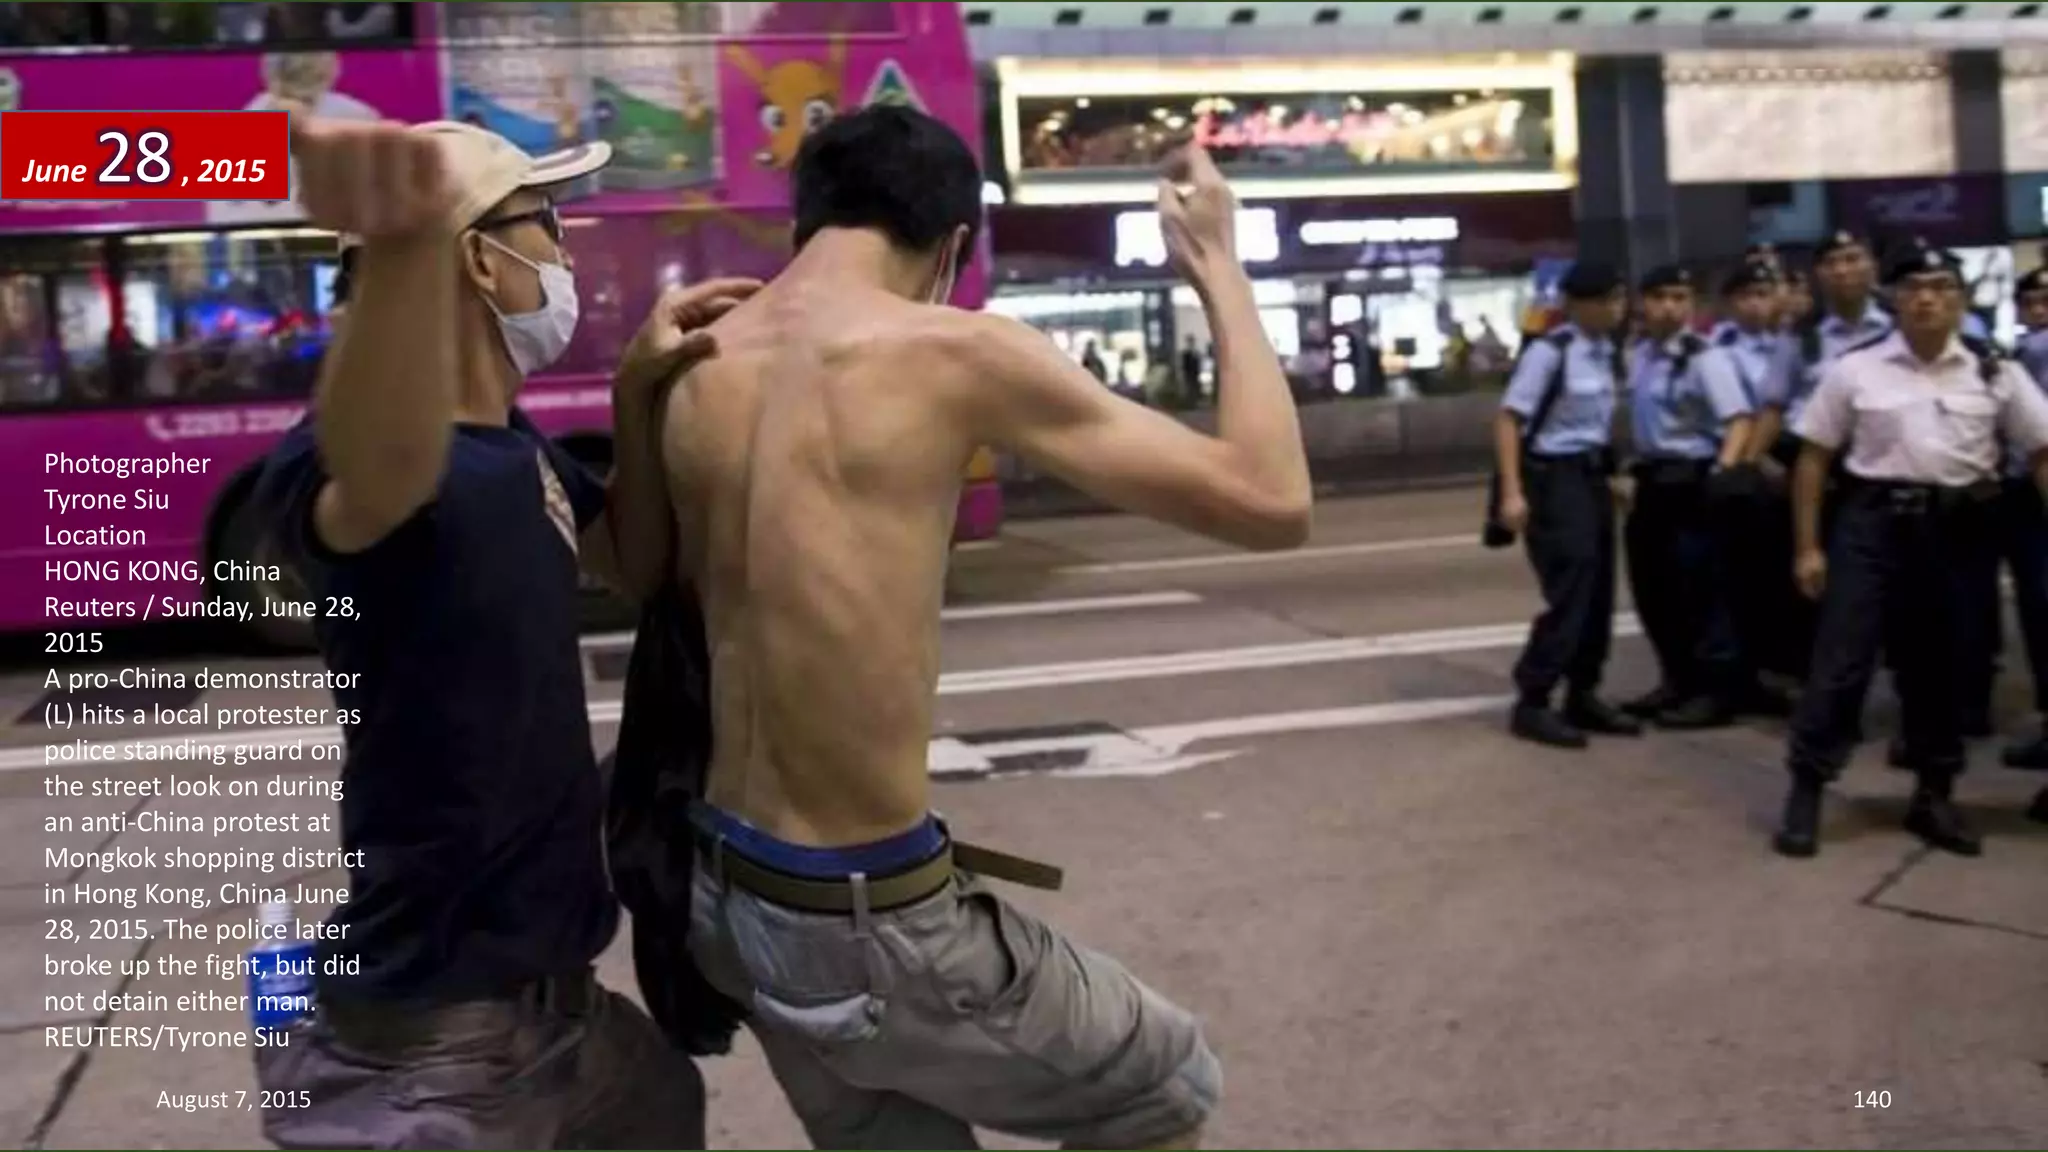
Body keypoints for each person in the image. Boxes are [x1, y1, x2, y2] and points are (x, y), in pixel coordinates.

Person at [666, 105, 1306, 1149]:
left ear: (804, 223)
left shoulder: (690, 357)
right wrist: (1217, 268)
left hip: (727, 898)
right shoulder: (952, 351)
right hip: (867, 922)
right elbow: (1269, 497)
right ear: (951, 247)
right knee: (1160, 1081)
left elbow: (642, 571)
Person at [248, 116, 753, 1149]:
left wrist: (636, 390)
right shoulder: (382, 471)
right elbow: (376, 477)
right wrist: (397, 247)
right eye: (547, 225)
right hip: (444, 1041)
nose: (564, 254)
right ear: (479, 257)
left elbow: (630, 561)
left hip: (550, 1010)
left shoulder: (502, 446)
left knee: (663, 1102)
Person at [1771, 243, 2048, 860]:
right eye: (1914, 287)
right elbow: (1813, 458)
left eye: (1942, 287)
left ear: (1961, 300)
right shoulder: (1856, 368)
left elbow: (2039, 450)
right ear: (1893, 299)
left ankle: (1935, 792)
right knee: (1842, 662)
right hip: (1871, 528)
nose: (1927, 298)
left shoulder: (1994, 370)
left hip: (1958, 532)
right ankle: (1807, 787)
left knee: (1943, 667)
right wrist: (1808, 547)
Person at [1493, 262, 1642, 749]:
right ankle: (1533, 697)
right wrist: (1513, 492)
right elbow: (1510, 420)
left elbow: (1602, 423)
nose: (1617, 309)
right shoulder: (1549, 352)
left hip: (1590, 475)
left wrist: (1613, 473)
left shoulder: (1607, 353)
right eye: (1607, 300)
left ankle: (1584, 691)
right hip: (1552, 479)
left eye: (1621, 300)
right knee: (1572, 585)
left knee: (1600, 589)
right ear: (1579, 305)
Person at [1619, 265, 1758, 728]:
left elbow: (1739, 419)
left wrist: (1724, 469)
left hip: (1694, 483)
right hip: (1652, 483)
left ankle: (1716, 692)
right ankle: (1675, 681)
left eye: (1679, 297)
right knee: (1655, 591)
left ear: (1691, 304)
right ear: (1643, 303)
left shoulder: (1706, 357)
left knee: (1703, 591)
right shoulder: (1638, 354)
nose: (1669, 307)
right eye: (1659, 297)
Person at [1981, 267, 2048, 769]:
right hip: (2026, 492)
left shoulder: (2027, 355)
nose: (2040, 308)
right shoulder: (2017, 358)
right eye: (2033, 299)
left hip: (2032, 489)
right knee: (2037, 609)